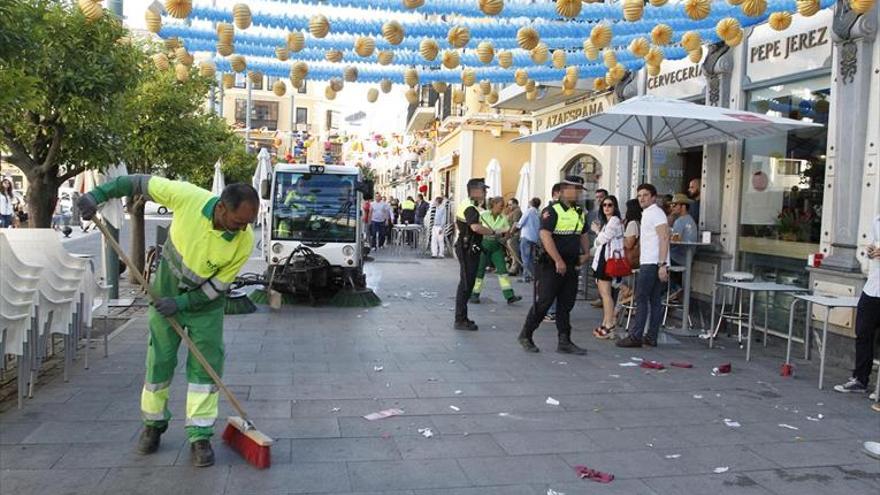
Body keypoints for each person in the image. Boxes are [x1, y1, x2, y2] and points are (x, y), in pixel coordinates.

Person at [78, 175, 258, 467]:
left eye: (247, 223)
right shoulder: (188, 197)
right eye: (239, 222)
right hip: (163, 296)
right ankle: (153, 426)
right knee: (159, 364)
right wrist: (96, 195)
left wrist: (183, 303)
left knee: (206, 369)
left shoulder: (243, 241)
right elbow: (136, 183)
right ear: (222, 207)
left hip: (205, 307)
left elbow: (217, 287)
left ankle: (200, 436)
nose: (243, 229)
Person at [517, 176, 590, 355]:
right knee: (544, 302)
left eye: (580, 190)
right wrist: (558, 260)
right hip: (551, 264)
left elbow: (583, 233)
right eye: (575, 189)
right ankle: (526, 335)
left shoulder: (579, 212)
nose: (578, 193)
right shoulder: (552, 210)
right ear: (564, 190)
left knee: (566, 304)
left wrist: (586, 253)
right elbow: (545, 235)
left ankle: (564, 341)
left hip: (571, 264)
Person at [617, 183, 670, 348]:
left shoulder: (656, 213)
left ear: (653, 197)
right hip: (650, 261)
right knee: (654, 300)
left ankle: (636, 335)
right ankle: (651, 336)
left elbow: (664, 238)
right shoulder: (648, 213)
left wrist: (662, 264)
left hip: (652, 262)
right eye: (639, 195)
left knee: (641, 298)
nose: (642, 198)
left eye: (645, 195)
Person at [834, 215, 880, 399]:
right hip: (873, 287)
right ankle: (860, 380)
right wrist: (870, 252)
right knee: (863, 334)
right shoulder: (876, 220)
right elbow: (872, 247)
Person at [453, 179, 494, 331]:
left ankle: (462, 317)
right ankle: (460, 319)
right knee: (466, 284)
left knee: (467, 283)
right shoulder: (470, 208)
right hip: (467, 248)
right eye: (484, 190)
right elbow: (475, 228)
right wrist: (492, 232)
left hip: (468, 246)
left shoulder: (469, 204)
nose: (485, 193)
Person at [471, 197, 523, 305]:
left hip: (496, 246)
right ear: (494, 204)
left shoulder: (503, 217)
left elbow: (507, 231)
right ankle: (474, 295)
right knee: (480, 271)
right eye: (501, 205)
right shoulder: (483, 215)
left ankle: (509, 296)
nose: (503, 207)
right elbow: (477, 228)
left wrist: (503, 235)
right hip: (484, 245)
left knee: (503, 271)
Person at [591, 195, 624, 340]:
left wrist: (597, 232)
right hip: (603, 259)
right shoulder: (608, 222)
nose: (606, 208)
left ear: (615, 207)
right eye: (604, 205)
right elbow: (598, 243)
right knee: (604, 293)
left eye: (610, 205)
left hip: (608, 260)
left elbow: (602, 239)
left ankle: (609, 325)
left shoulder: (614, 221)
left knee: (605, 293)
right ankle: (606, 322)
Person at [668, 193, 699, 302]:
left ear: (683, 206)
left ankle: (674, 288)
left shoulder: (680, 221)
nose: (672, 207)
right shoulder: (690, 220)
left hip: (678, 257)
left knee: (656, 264)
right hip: (687, 258)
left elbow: (674, 240)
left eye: (675, 205)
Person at [543, 183, 563, 323]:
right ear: (556, 193)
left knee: (555, 284)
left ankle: (554, 311)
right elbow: (545, 234)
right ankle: (552, 311)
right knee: (552, 283)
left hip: (562, 253)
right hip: (553, 254)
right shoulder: (550, 210)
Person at [588, 189, 610, 308]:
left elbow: (605, 234)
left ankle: (603, 298)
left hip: (606, 249)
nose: (599, 199)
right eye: (597, 197)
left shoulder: (609, 214)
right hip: (598, 246)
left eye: (601, 197)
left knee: (603, 276)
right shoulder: (597, 213)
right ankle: (600, 297)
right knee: (598, 274)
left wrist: (597, 230)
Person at [618, 199, 642, 306]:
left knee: (607, 271)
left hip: (629, 259)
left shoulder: (632, 224)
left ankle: (628, 292)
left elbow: (629, 244)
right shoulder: (639, 223)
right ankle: (620, 309)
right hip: (635, 259)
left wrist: (619, 235)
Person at [517, 197, 541, 283]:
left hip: (526, 236)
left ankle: (526, 277)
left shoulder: (529, 211)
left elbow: (520, 223)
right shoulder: (538, 212)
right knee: (531, 258)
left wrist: (514, 227)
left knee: (525, 258)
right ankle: (532, 275)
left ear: (531, 203)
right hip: (534, 238)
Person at [505, 198, 523, 276]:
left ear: (516, 204)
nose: (509, 206)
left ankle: (514, 268)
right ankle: (512, 266)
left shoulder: (517, 211)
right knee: (511, 252)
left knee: (514, 252)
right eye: (508, 205)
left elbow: (516, 223)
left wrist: (511, 232)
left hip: (514, 235)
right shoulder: (512, 212)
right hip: (510, 234)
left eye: (511, 204)